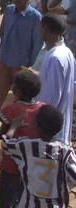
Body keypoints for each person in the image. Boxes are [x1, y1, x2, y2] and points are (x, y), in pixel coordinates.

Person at [0, 105, 76, 208]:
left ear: (35, 126)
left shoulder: (26, 146)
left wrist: (13, 126)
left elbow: (5, 144)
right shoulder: (65, 152)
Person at [0, 70, 43, 208]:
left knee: (4, 198)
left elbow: (1, 135)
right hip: (31, 165)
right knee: (23, 195)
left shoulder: (11, 110)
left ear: (17, 91)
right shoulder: (42, 108)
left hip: (10, 165)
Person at [0, 0, 43, 103]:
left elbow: (37, 43)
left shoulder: (35, 17)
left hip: (21, 65)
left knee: (21, 97)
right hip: (3, 60)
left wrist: (30, 65)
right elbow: (2, 33)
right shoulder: (9, 10)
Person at [34, 14, 75, 144]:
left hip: (51, 127)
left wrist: (42, 122)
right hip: (58, 120)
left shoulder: (56, 58)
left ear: (45, 29)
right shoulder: (65, 52)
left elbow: (52, 96)